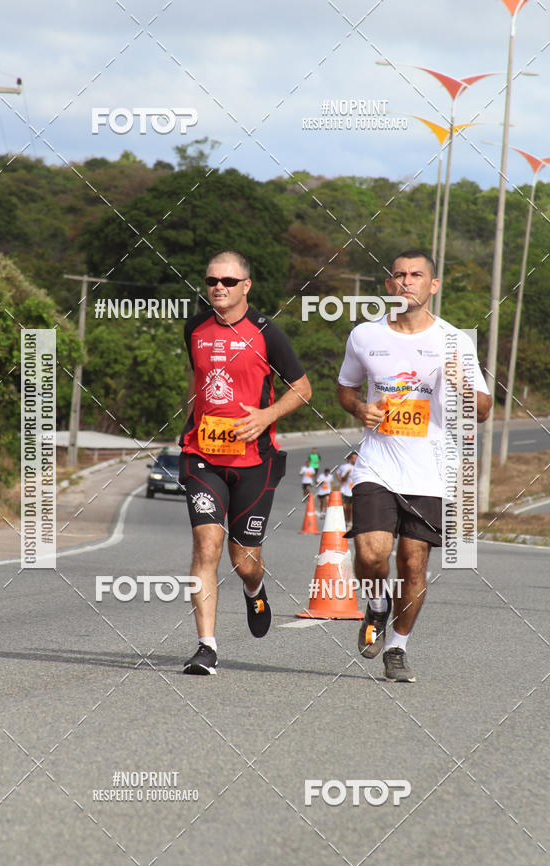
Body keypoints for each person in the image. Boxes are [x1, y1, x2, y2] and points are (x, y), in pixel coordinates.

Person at [337, 250, 492, 682]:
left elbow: (481, 410)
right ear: (390, 285)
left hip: (432, 472)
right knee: (371, 554)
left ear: (433, 285)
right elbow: (346, 388)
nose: (407, 281)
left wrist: (461, 384)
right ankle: (377, 604)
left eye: (417, 275)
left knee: (412, 564)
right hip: (377, 465)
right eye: (400, 275)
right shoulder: (365, 336)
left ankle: (398, 646)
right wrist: (359, 408)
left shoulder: (454, 341)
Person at [179, 250, 311, 674]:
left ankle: (255, 590)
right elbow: (198, 379)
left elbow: (303, 388)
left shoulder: (268, 333)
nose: (219, 287)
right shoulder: (194, 328)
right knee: (206, 545)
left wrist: (265, 416)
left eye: (229, 281)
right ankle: (206, 646)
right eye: (212, 280)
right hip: (202, 455)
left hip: (255, 460)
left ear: (246, 286)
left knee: (243, 559)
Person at [336, 451, 357, 527]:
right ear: (350, 459)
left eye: (356, 458)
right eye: (353, 458)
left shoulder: (358, 467)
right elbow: (338, 474)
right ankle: (345, 520)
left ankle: (349, 522)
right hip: (345, 490)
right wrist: (341, 480)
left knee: (350, 508)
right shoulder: (345, 467)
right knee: (344, 507)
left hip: (353, 491)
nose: (355, 460)